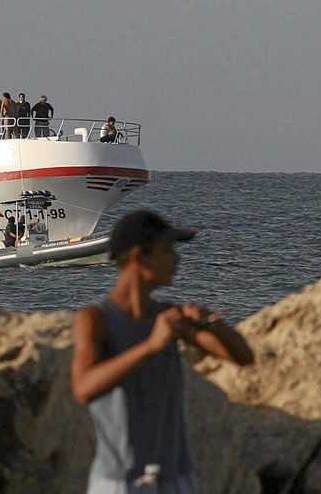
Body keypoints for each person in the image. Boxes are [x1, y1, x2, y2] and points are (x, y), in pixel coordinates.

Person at [71, 210, 254, 494]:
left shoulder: (167, 315)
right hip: (121, 482)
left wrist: (214, 326)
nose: (177, 259)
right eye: (167, 250)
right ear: (138, 258)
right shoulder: (95, 319)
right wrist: (150, 347)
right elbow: (83, 388)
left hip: (175, 478)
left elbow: (243, 357)